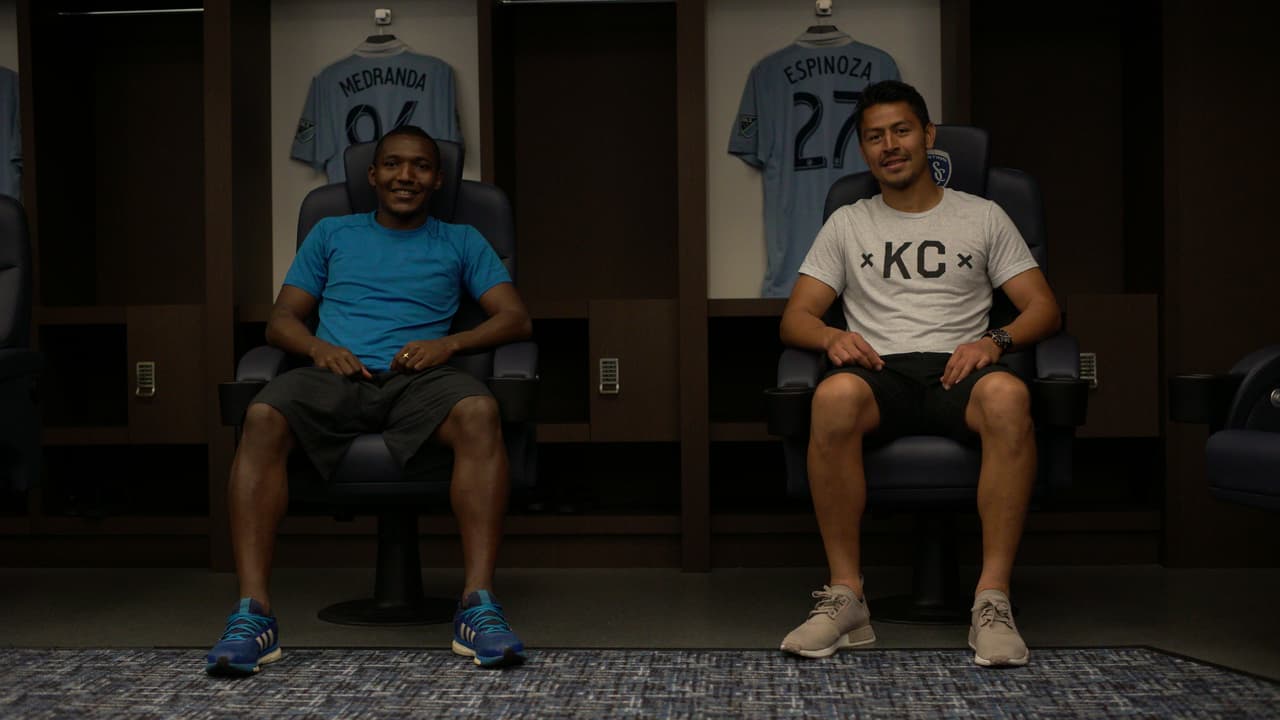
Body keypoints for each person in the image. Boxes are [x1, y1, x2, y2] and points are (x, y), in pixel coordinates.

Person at [205, 125, 533, 675]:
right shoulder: (332, 233)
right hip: (338, 373)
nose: (407, 176)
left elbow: (515, 318)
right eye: (394, 165)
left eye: (421, 166)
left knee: (479, 410)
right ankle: (253, 616)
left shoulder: (462, 240)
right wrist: (318, 348)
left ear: (438, 178)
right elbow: (280, 320)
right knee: (262, 415)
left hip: (419, 377)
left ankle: (478, 606)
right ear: (372, 174)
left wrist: (447, 343)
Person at [777, 80, 1061, 667]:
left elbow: (1043, 307)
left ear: (927, 136)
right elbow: (796, 318)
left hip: (960, 370)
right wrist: (832, 336)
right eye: (874, 137)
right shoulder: (848, 223)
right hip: (880, 370)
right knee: (831, 399)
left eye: (901, 131)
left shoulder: (982, 215)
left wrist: (995, 340)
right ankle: (846, 597)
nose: (889, 146)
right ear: (863, 150)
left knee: (1009, 395)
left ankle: (992, 602)